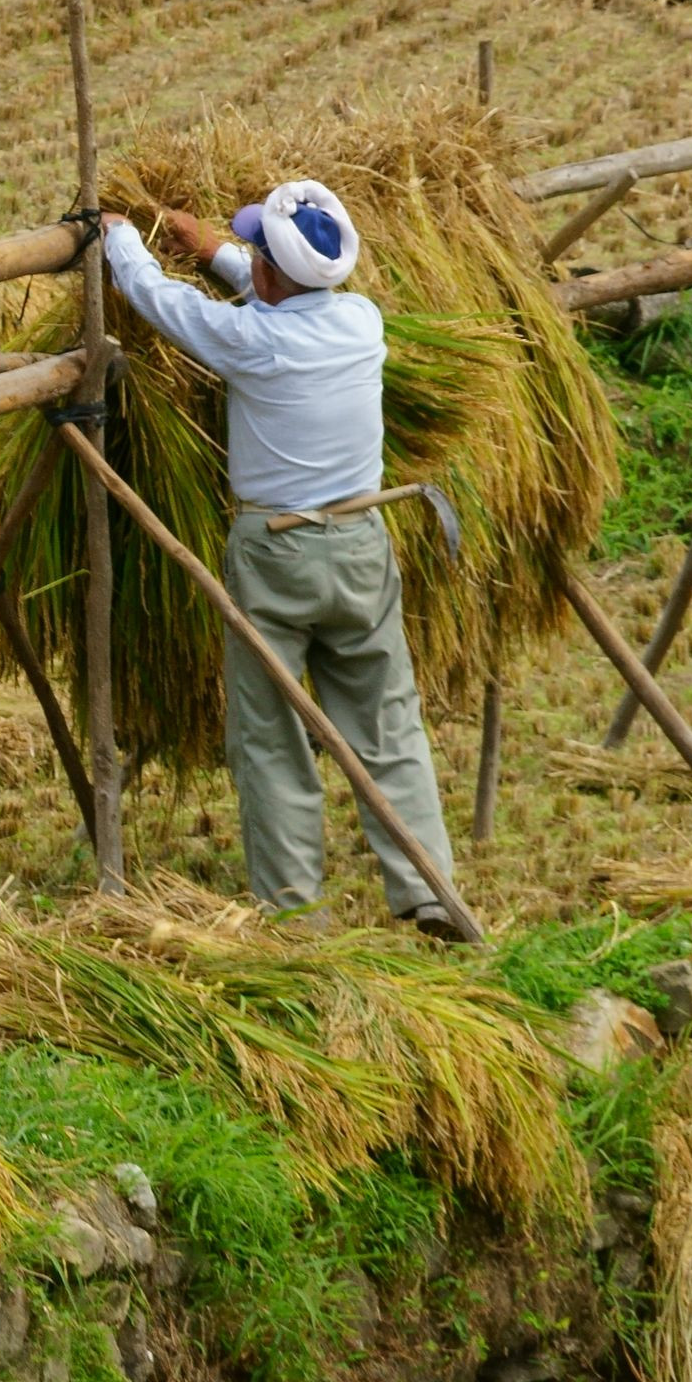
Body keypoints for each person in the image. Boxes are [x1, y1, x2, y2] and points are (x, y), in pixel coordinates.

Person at [97, 180, 461, 932]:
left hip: (277, 552)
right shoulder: (362, 321)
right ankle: (428, 888)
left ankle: (296, 914)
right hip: (362, 541)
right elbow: (280, 294)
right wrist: (215, 251)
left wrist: (119, 237)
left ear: (269, 269)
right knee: (388, 721)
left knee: (270, 734)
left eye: (256, 253)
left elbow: (159, 299)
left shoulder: (251, 341)